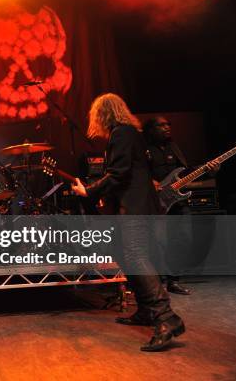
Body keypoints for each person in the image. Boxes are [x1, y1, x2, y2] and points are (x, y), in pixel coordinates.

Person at [71, 93, 185, 352]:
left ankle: (166, 318)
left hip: (135, 208)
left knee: (136, 256)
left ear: (103, 114)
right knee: (126, 255)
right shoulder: (130, 133)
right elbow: (128, 174)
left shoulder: (121, 134)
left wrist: (88, 191)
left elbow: (118, 174)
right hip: (139, 205)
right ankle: (146, 310)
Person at [142, 116, 220, 294]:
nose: (166, 127)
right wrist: (149, 182)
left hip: (178, 201)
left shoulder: (173, 147)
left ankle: (173, 280)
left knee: (183, 239)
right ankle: (157, 281)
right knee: (159, 242)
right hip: (156, 202)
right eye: (161, 125)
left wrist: (208, 170)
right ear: (150, 130)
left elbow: (185, 172)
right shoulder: (143, 149)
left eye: (168, 124)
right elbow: (136, 173)